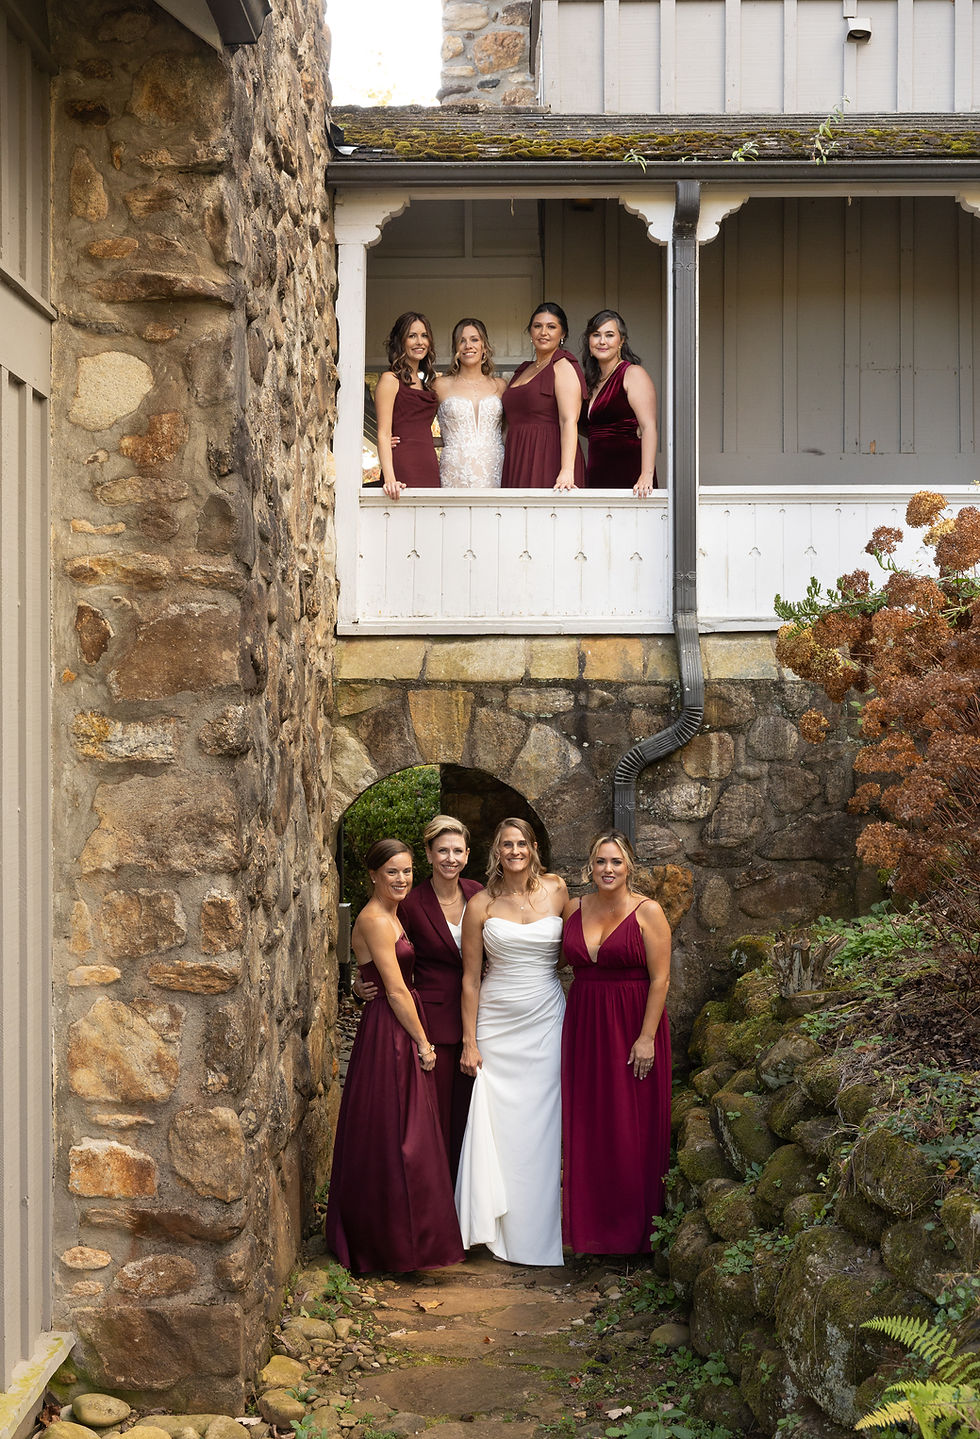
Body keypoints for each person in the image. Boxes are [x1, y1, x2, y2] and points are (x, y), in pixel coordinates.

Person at [324, 838, 464, 1274]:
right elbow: (397, 988)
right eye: (392, 872)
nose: (402, 879)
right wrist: (424, 1042)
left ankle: (412, 1241)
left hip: (394, 1021)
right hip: (392, 1030)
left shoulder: (392, 914)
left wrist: (357, 987)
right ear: (372, 874)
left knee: (406, 1132)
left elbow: (375, 977)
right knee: (400, 1135)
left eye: (406, 871)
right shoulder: (374, 919)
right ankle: (391, 1244)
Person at [455, 818, 568, 1266]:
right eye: (507, 844)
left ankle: (540, 1232)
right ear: (496, 851)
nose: (515, 850)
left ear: (533, 847)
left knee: (542, 1124)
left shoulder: (559, 891)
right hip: (497, 1026)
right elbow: (469, 979)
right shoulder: (480, 905)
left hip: (546, 1019)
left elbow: (578, 949)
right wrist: (469, 1041)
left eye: (521, 843)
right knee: (499, 1126)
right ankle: (493, 1224)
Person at [353, 815, 483, 1184]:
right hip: (432, 1019)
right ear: (429, 854)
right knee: (435, 1119)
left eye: (458, 850)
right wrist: (359, 986)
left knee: (474, 1119)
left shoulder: (480, 894)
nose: (450, 858)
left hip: (482, 1018)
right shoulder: (409, 902)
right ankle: (437, 1203)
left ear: (468, 855)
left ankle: (469, 1200)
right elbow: (383, 960)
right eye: (442, 850)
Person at [560, 829, 672, 1255]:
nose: (608, 869)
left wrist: (646, 1038)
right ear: (590, 866)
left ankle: (631, 1235)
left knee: (630, 1126)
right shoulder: (574, 907)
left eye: (616, 862)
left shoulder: (648, 912)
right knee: (589, 1123)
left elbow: (661, 979)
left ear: (629, 868)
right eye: (601, 862)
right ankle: (592, 1232)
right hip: (585, 1025)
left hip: (631, 1025)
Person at [500, 302, 587, 490]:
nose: (543, 332)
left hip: (548, 456)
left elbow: (569, 421)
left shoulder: (563, 366)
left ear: (562, 334)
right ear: (530, 332)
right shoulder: (523, 370)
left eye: (551, 327)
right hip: (518, 455)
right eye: (537, 326)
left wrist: (566, 470)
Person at [580, 310, 659, 495]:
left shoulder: (632, 374)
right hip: (597, 474)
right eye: (596, 335)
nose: (602, 341)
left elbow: (649, 427)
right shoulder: (590, 382)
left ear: (621, 341)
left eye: (609, 335)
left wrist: (646, 475)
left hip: (630, 475)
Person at [374, 312, 440, 498]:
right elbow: (383, 434)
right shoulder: (390, 380)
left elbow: (420, 430)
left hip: (429, 464)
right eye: (412, 336)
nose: (420, 342)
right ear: (400, 341)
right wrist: (389, 479)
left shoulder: (426, 385)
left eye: (424, 335)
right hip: (404, 464)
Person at [434, 318, 506, 488]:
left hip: (495, 469)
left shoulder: (500, 385)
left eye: (474, 339)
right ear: (456, 348)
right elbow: (418, 425)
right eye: (462, 340)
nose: (468, 345)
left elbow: (508, 432)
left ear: (484, 346)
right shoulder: (440, 385)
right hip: (455, 472)